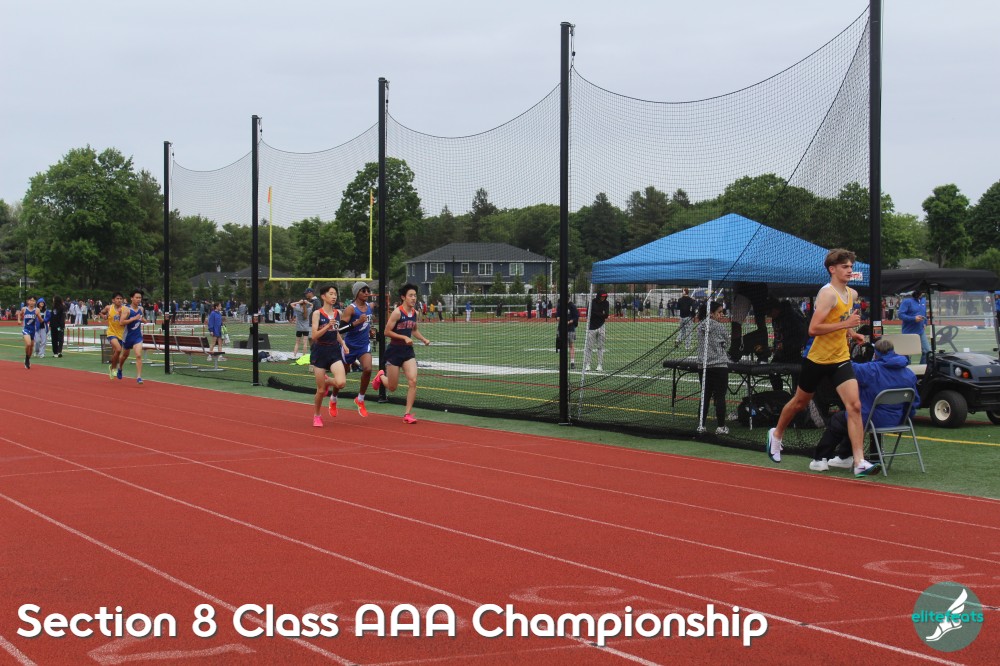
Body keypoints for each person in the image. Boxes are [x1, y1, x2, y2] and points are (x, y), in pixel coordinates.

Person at [766, 249, 881, 478]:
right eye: (845, 267)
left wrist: (852, 333)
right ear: (832, 269)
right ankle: (776, 434)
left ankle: (859, 461)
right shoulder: (827, 294)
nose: (850, 270)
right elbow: (813, 329)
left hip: (840, 359)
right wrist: (846, 324)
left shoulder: (852, 294)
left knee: (854, 406)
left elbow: (840, 320)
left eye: (851, 266)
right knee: (799, 403)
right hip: (817, 360)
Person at [811, 338, 920, 471]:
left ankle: (820, 458)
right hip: (898, 420)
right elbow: (914, 402)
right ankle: (844, 456)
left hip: (872, 420)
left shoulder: (870, 370)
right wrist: (905, 418)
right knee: (852, 415)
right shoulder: (909, 374)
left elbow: (846, 367)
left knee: (841, 419)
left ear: (876, 354)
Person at [372, 283, 431, 424]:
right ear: (403, 297)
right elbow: (386, 332)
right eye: (410, 295)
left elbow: (414, 330)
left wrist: (423, 339)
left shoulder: (415, 313)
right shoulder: (397, 313)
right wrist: (404, 337)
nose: (413, 298)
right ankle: (380, 377)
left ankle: (407, 414)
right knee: (392, 387)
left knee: (413, 381)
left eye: (415, 295)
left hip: (407, 352)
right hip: (394, 351)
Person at [309, 284, 348, 427]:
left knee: (341, 383)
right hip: (320, 351)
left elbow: (336, 332)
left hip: (334, 351)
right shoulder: (317, 314)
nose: (334, 296)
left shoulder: (338, 313)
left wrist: (343, 344)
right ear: (323, 296)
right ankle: (317, 415)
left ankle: (327, 381)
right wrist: (327, 326)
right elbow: (314, 336)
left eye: (335, 294)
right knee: (320, 391)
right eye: (331, 294)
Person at [341, 281, 376, 417]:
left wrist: (371, 330)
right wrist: (357, 322)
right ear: (357, 293)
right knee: (342, 378)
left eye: (368, 290)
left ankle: (360, 399)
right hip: (349, 346)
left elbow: (368, 322)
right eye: (363, 290)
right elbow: (340, 329)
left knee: (368, 369)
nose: (367, 293)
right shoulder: (350, 309)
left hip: (363, 345)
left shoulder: (369, 307)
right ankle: (334, 398)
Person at [695, 301, 731, 435]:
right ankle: (721, 426)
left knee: (705, 396)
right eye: (719, 312)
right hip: (719, 365)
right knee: (720, 396)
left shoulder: (700, 326)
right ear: (711, 313)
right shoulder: (719, 327)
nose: (722, 315)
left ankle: (701, 425)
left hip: (703, 365)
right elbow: (728, 342)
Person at [118, 290, 148, 385]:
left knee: (138, 355)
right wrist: (133, 319)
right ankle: (120, 368)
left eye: (140, 298)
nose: (139, 299)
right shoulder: (127, 310)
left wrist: (144, 320)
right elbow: (121, 322)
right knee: (124, 356)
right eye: (137, 297)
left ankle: (139, 377)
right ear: (132, 298)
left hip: (137, 336)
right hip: (127, 337)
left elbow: (141, 317)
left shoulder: (141, 309)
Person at [898, 290, 930, 364]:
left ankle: (923, 368)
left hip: (920, 331)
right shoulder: (907, 301)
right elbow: (900, 315)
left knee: (927, 351)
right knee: (907, 353)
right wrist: (913, 318)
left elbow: (924, 313)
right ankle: (907, 368)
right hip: (908, 331)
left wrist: (925, 323)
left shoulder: (923, 300)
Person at [101, 292, 128, 380]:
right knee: (118, 349)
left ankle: (112, 367)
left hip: (121, 334)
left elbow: (126, 321)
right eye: (117, 298)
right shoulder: (109, 308)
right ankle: (113, 368)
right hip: (111, 332)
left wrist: (121, 315)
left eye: (121, 299)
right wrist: (104, 316)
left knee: (116, 353)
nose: (119, 300)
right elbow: (101, 312)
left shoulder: (125, 309)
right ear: (113, 300)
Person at [583, 291, 610, 372]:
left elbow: (606, 315)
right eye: (602, 296)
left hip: (602, 326)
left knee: (600, 347)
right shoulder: (591, 302)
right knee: (589, 347)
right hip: (591, 327)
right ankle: (587, 364)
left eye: (604, 296)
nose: (603, 298)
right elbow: (589, 314)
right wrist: (601, 314)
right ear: (598, 296)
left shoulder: (606, 303)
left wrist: (596, 314)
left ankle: (600, 365)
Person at [18, 296, 41, 369]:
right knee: (28, 344)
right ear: (28, 301)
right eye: (30, 300)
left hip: (33, 330)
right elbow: (19, 314)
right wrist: (19, 320)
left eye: (33, 301)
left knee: (31, 347)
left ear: (35, 302)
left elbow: (41, 320)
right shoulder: (24, 309)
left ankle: (27, 358)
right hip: (26, 329)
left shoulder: (37, 310)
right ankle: (27, 358)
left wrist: (38, 315)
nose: (32, 302)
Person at [558, 298, 581, 369]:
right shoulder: (560, 306)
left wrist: (569, 322)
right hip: (561, 329)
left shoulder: (572, 306)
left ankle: (572, 362)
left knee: (571, 345)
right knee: (562, 346)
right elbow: (557, 317)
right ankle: (562, 363)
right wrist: (562, 321)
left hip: (570, 329)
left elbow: (576, 317)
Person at [289, 292, 314, 357]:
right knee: (305, 343)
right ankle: (304, 356)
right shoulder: (308, 310)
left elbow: (291, 304)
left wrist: (298, 302)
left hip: (299, 328)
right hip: (306, 328)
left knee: (297, 343)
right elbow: (312, 305)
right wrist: (307, 302)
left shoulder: (298, 309)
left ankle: (294, 355)